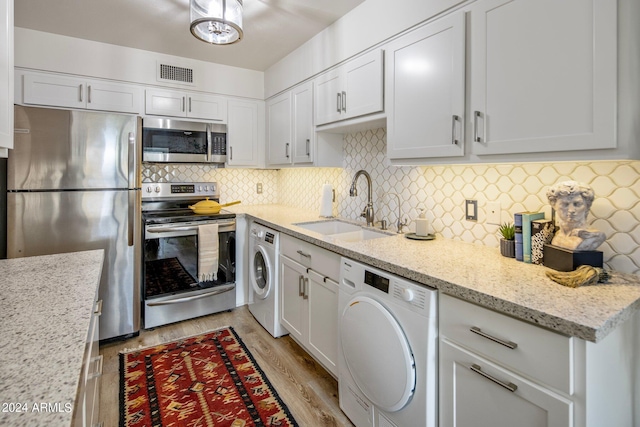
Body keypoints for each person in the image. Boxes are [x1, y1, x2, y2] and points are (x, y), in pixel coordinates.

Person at [546, 181, 605, 251]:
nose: (571, 210)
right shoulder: (557, 235)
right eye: (565, 204)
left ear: (587, 206)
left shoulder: (594, 236)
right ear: (554, 205)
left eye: (577, 204)